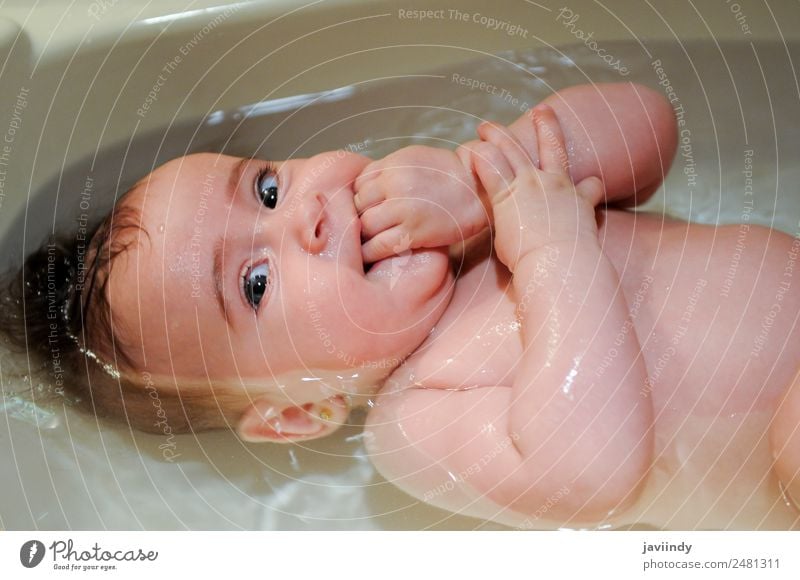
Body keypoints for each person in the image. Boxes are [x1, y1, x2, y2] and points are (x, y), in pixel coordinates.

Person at [3, 82, 797, 528]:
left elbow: (650, 123)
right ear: (300, 412)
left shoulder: (477, 204)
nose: (303, 217)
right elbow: (595, 473)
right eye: (255, 283)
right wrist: (554, 247)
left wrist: (474, 181)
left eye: (268, 188)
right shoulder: (414, 423)